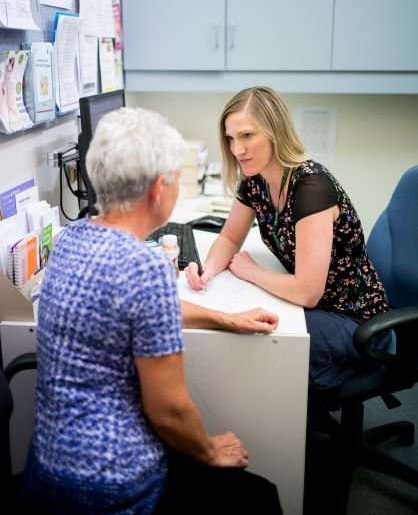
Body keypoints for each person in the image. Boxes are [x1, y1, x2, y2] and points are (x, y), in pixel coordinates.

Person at [20, 106, 281, 515]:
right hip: (115, 488)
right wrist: (209, 450)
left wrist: (224, 318)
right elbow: (170, 412)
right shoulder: (145, 268)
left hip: (45, 475)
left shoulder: (71, 240)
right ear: (160, 189)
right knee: (260, 497)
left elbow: (130, 309)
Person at [185, 86, 395, 425]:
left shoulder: (311, 187)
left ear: (275, 131)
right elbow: (228, 237)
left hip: (357, 323)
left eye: (247, 136)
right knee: (242, 326)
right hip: (317, 306)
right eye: (230, 138)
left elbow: (307, 292)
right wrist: (208, 270)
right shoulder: (255, 182)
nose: (237, 149)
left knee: (256, 339)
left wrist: (251, 272)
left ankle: (279, 448)